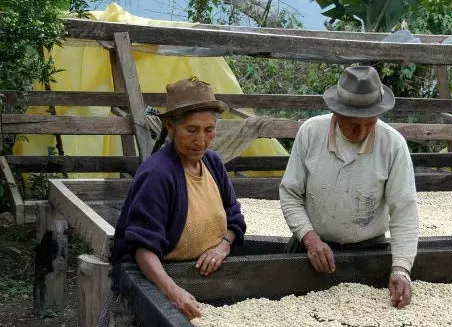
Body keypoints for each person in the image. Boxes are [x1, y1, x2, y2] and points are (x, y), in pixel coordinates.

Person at [105, 77, 246, 324]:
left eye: (209, 130)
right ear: (170, 127)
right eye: (191, 130)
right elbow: (143, 247)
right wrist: (172, 292)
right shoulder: (158, 174)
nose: (201, 140)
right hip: (161, 278)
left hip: (211, 277)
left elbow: (234, 217)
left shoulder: (212, 163)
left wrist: (222, 247)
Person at [280, 66, 418, 308]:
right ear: (336, 114)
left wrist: (401, 268)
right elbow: (290, 193)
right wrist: (310, 239)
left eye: (370, 123)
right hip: (312, 248)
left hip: (369, 250)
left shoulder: (393, 145)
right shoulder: (311, 133)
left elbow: (404, 211)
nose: (363, 131)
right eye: (353, 125)